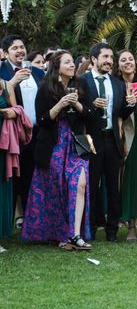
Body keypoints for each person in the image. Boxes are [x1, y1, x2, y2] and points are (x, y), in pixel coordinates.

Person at [21, 50, 95, 250]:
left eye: (72, 62)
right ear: (57, 66)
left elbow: (90, 115)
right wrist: (61, 104)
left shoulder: (81, 85)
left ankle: (75, 234)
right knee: (57, 188)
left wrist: (77, 104)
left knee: (80, 183)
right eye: (68, 62)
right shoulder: (46, 87)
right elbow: (42, 119)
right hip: (54, 143)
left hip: (77, 142)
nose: (72, 65)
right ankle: (61, 234)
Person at [81, 43, 136, 242]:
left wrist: (130, 105)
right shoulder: (82, 81)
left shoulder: (117, 84)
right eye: (105, 57)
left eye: (111, 57)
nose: (109, 61)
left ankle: (112, 231)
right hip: (91, 140)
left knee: (114, 187)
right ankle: (92, 228)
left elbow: (121, 112)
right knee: (92, 186)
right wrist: (91, 106)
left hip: (112, 140)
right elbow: (78, 110)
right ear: (94, 59)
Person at [0, 35, 45, 221]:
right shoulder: (2, 72)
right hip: (11, 134)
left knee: (33, 178)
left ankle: (31, 223)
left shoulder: (37, 72)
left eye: (22, 46)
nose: (20, 50)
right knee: (11, 179)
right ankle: (7, 223)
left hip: (36, 133)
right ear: (5, 53)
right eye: (14, 48)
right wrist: (14, 81)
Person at [112, 50, 137, 241]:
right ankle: (131, 226)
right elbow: (115, 113)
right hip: (126, 136)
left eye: (130, 59)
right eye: (123, 60)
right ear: (118, 65)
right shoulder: (116, 85)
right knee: (128, 182)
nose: (128, 62)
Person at [0, 78, 18, 250]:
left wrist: (11, 112)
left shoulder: (6, 85)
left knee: (1, 185)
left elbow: (16, 110)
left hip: (3, 142)